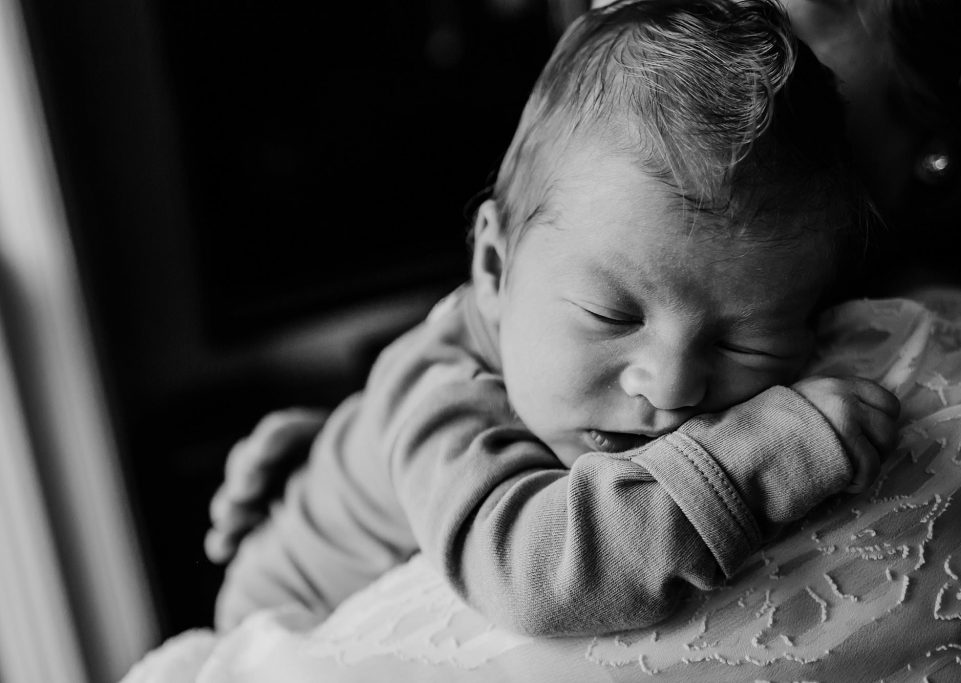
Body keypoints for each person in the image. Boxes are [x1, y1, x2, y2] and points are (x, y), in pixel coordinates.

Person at [207, 0, 899, 636]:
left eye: (744, 341)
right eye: (612, 313)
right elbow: (530, 572)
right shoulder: (445, 391)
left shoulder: (540, 333)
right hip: (273, 614)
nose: (670, 386)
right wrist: (759, 456)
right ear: (493, 269)